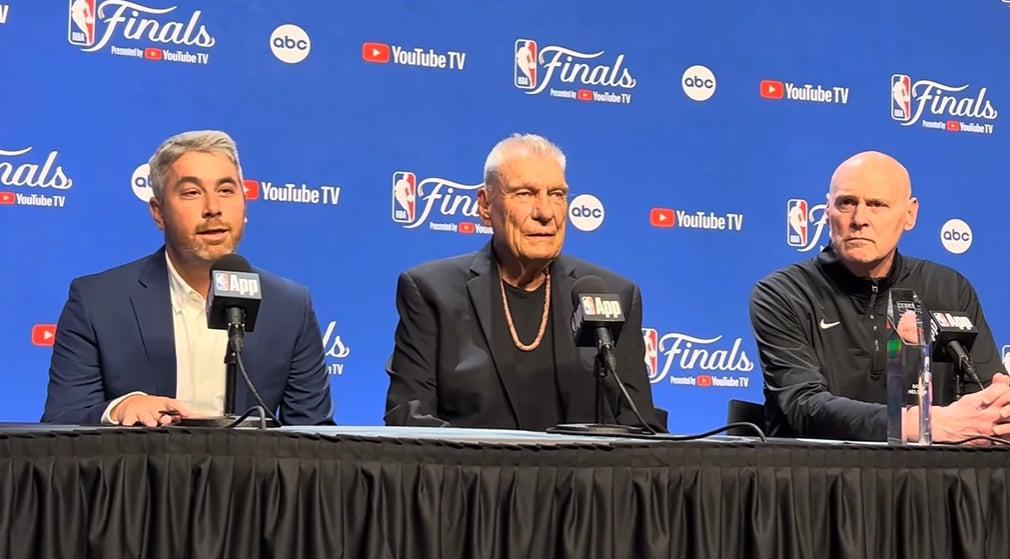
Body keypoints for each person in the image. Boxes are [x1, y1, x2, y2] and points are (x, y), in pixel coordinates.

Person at [41, 130, 334, 426]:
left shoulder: (290, 306)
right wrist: (118, 409)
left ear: (245, 203)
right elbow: (60, 421)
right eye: (192, 193)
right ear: (158, 212)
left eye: (226, 190)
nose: (213, 208)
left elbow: (313, 435)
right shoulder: (97, 301)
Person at [750, 151, 1010, 443]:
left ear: (910, 214)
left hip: (931, 470)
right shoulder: (783, 293)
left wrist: (1008, 418)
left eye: (877, 205)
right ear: (827, 211)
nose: (859, 219)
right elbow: (804, 408)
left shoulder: (948, 288)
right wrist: (925, 424)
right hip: (818, 469)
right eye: (846, 203)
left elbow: (987, 400)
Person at [384, 133, 666, 431]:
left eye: (557, 194)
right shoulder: (431, 292)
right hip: (473, 463)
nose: (545, 212)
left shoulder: (616, 294)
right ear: (485, 206)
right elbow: (409, 419)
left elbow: (641, 426)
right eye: (524, 194)